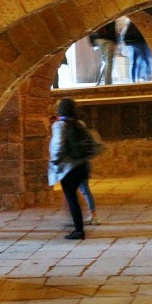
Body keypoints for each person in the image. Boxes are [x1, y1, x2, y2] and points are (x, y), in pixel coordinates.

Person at [47, 98, 91, 240]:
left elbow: (58, 144)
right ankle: (79, 221)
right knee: (74, 195)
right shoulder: (80, 123)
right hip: (82, 165)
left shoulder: (60, 125)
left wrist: (54, 160)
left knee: (71, 197)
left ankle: (79, 230)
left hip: (68, 167)